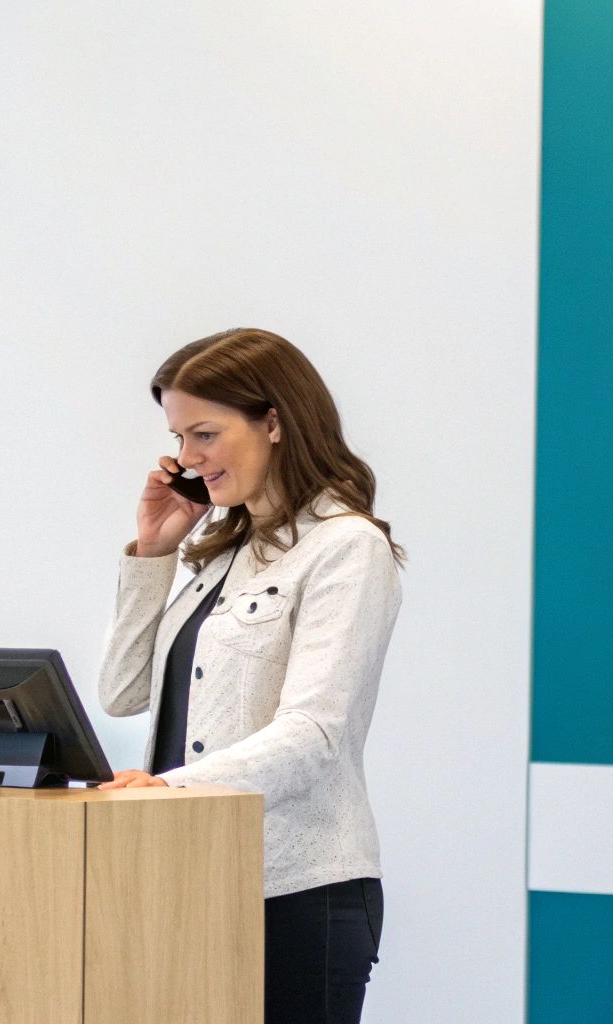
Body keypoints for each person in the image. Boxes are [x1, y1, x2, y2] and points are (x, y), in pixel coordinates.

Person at [96, 327, 404, 1024]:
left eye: (204, 434)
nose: (187, 459)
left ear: (274, 422)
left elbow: (315, 735)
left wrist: (165, 790)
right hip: (194, 877)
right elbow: (122, 692)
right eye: (178, 438)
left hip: (297, 893)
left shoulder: (347, 548)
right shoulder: (223, 556)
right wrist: (153, 554)